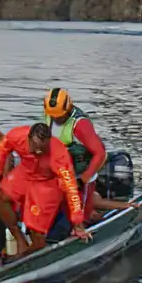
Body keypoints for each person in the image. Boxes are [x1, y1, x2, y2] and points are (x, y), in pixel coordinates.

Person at [0, 123, 89, 256]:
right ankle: (19, 238)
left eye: (43, 148)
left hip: (47, 182)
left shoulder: (59, 155)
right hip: (26, 171)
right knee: (1, 196)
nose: (39, 151)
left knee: (36, 229)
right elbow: (2, 148)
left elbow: (71, 188)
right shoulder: (17, 135)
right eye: (35, 146)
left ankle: (31, 255)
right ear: (28, 138)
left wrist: (77, 222)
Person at [42, 88, 107, 220]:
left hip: (81, 173)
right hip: (61, 172)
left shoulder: (80, 125)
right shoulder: (50, 114)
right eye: (53, 116)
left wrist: (83, 180)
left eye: (59, 117)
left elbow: (100, 154)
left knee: (81, 215)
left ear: (68, 108)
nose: (56, 119)